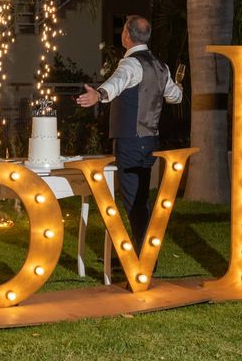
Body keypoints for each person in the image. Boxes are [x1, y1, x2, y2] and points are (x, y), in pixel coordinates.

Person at [76, 15, 182, 253]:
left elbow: (117, 82)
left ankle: (142, 259)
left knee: (133, 201)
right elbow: (175, 96)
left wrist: (99, 95)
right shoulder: (160, 66)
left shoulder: (130, 64)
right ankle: (144, 254)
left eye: (123, 29)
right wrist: (179, 89)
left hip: (131, 143)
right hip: (150, 142)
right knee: (141, 200)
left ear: (127, 35)